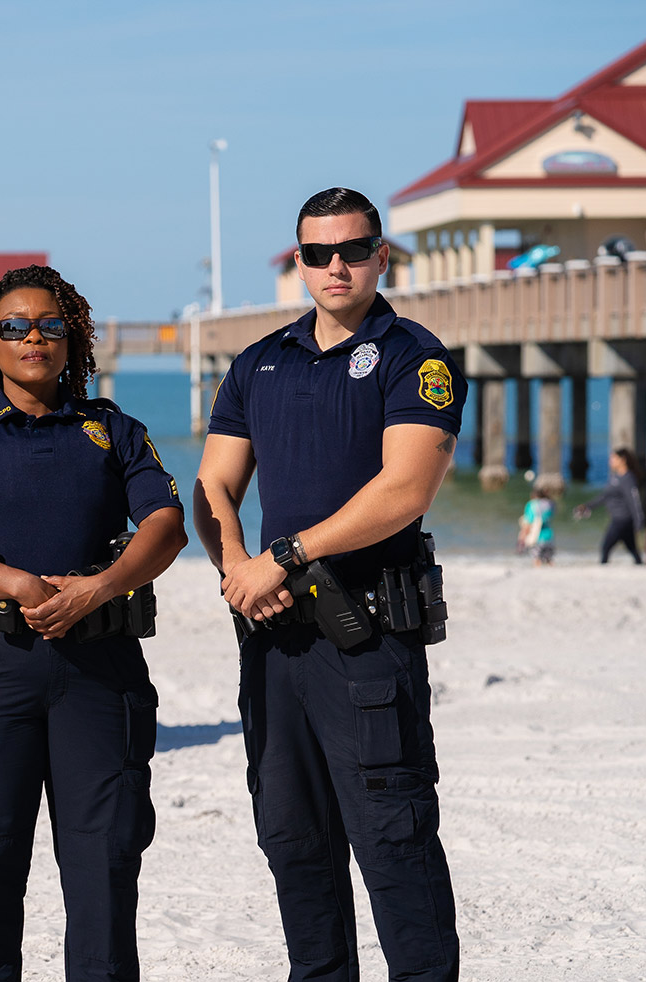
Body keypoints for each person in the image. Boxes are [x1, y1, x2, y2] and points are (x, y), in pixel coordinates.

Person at [195, 188, 463, 981]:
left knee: (395, 842)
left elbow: (405, 491)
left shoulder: (415, 355)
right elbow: (212, 486)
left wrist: (282, 556)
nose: (335, 266)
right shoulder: (259, 361)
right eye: (317, 254)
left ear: (383, 255)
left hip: (369, 643)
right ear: (298, 263)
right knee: (294, 842)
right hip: (276, 643)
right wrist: (238, 569)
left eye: (353, 250)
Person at [0, 264, 187, 981]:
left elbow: (166, 524)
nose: (34, 337)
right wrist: (20, 584)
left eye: (51, 325)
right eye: (14, 326)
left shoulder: (113, 430)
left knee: (104, 872)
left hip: (98, 673)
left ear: (74, 338)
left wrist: (101, 587)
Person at [574, 448, 645, 564]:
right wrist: (587, 506)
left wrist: (639, 521)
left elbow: (634, 501)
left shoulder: (628, 478)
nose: (610, 461)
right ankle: (640, 564)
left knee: (606, 546)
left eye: (613, 458)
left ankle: (603, 566)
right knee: (631, 548)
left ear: (622, 460)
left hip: (622, 519)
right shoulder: (615, 477)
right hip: (619, 519)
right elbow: (604, 497)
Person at [519, 487, 555, 567]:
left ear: (533, 495)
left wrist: (522, 538)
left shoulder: (532, 505)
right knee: (549, 561)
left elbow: (528, 523)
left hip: (536, 537)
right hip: (549, 535)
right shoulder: (549, 504)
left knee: (536, 560)